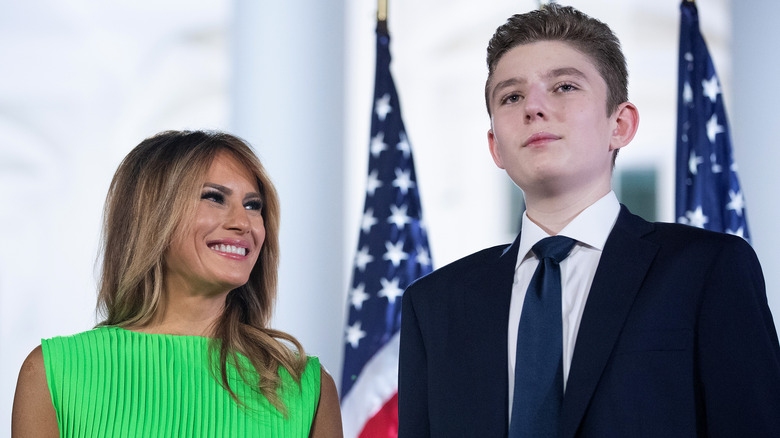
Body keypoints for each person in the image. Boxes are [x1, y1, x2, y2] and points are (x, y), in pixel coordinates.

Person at [398, 4, 780, 437]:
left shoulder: (708, 270)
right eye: (512, 96)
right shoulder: (432, 306)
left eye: (563, 86)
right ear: (496, 148)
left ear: (620, 124)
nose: (534, 108)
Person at [12, 130, 343, 437]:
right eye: (214, 197)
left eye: (253, 205)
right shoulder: (53, 374)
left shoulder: (306, 387)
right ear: (152, 215)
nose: (244, 223)